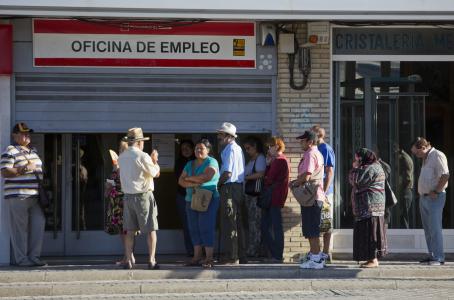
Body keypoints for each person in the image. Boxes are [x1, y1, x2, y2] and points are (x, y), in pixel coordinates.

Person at [0, 122, 46, 266]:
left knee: (39, 224)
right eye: (23, 133)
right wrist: (25, 168)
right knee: (20, 229)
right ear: (15, 135)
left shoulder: (34, 151)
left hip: (34, 196)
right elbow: (4, 171)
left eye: (28, 133)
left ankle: (34, 257)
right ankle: (22, 259)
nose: (26, 135)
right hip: (18, 196)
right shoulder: (10, 150)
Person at [118, 127, 160, 270]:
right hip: (143, 196)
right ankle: (151, 260)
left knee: (129, 231)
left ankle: (129, 260)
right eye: (142, 141)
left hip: (128, 197)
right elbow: (155, 173)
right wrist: (155, 160)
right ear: (139, 142)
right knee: (150, 229)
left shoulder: (122, 157)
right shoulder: (142, 156)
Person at [178, 139, 220, 268]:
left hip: (208, 199)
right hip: (190, 199)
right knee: (194, 228)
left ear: (208, 150)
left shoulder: (212, 161)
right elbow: (180, 181)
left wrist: (189, 179)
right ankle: (196, 257)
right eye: (196, 148)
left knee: (205, 227)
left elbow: (206, 176)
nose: (198, 151)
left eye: (201, 148)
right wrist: (196, 183)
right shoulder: (190, 164)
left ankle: (209, 258)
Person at [411, 137, 449, 266]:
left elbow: (445, 175)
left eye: (417, 153)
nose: (416, 155)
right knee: (428, 229)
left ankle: (439, 257)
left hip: (435, 198)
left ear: (423, 147)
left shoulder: (437, 155)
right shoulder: (425, 158)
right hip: (424, 198)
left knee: (435, 228)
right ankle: (432, 255)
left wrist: (437, 191)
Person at [292, 130, 326, 269]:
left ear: (310, 142)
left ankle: (317, 259)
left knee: (312, 229)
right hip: (314, 196)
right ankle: (313, 255)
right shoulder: (316, 153)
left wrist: (294, 183)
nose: (301, 143)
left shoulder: (310, 154)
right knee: (311, 227)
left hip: (312, 197)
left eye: (303, 140)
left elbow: (307, 175)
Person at [349, 148, 387, 268]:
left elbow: (356, 181)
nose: (356, 160)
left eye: (357, 158)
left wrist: (355, 168)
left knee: (370, 233)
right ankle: (371, 258)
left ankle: (373, 259)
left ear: (363, 158)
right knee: (371, 232)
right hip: (371, 207)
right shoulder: (376, 166)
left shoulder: (370, 168)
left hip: (369, 207)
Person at [217, 122, 247, 265]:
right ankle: (240, 254)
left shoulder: (230, 149)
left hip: (230, 188)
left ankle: (232, 257)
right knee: (236, 222)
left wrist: (218, 184)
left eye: (221, 134)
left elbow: (227, 173)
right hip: (237, 187)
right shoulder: (237, 148)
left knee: (230, 222)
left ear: (228, 136)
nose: (219, 137)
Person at [104, 141, 134, 265]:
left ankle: (129, 256)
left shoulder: (128, 165)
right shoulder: (118, 165)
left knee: (127, 230)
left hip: (124, 200)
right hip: (116, 201)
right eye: (120, 149)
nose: (121, 151)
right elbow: (111, 182)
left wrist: (116, 170)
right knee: (122, 230)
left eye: (123, 149)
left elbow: (122, 181)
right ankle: (127, 255)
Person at [261, 137, 289, 263]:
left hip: (274, 197)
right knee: (270, 226)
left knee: (271, 227)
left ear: (277, 146)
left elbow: (268, 179)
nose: (268, 149)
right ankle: (276, 254)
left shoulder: (279, 161)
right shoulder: (280, 160)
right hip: (275, 197)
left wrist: (267, 166)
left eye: (270, 146)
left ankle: (277, 255)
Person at [311, 125, 335, 262]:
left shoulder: (325, 148)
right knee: (319, 222)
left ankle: (326, 253)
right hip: (318, 191)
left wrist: (325, 192)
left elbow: (329, 171)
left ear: (318, 135)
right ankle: (317, 252)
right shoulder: (317, 148)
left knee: (325, 222)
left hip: (325, 192)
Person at [243, 136, 266, 258]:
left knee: (255, 223)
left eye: (248, 148)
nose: (247, 151)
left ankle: (255, 250)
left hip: (255, 196)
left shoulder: (260, 158)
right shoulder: (252, 159)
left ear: (255, 147)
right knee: (251, 223)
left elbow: (261, 174)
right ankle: (252, 248)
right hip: (249, 195)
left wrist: (245, 177)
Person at [174, 139, 195, 257]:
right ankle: (190, 250)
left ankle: (200, 249)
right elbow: (180, 180)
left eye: (188, 147)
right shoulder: (179, 162)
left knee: (197, 223)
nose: (185, 150)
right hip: (182, 196)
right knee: (186, 225)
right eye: (183, 148)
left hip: (197, 196)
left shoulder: (198, 162)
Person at [396, 145, 414, 229]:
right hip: (406, 190)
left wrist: (400, 188)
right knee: (404, 215)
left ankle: (406, 235)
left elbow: (407, 178)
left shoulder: (404, 159)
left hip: (405, 191)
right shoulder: (405, 157)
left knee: (404, 216)